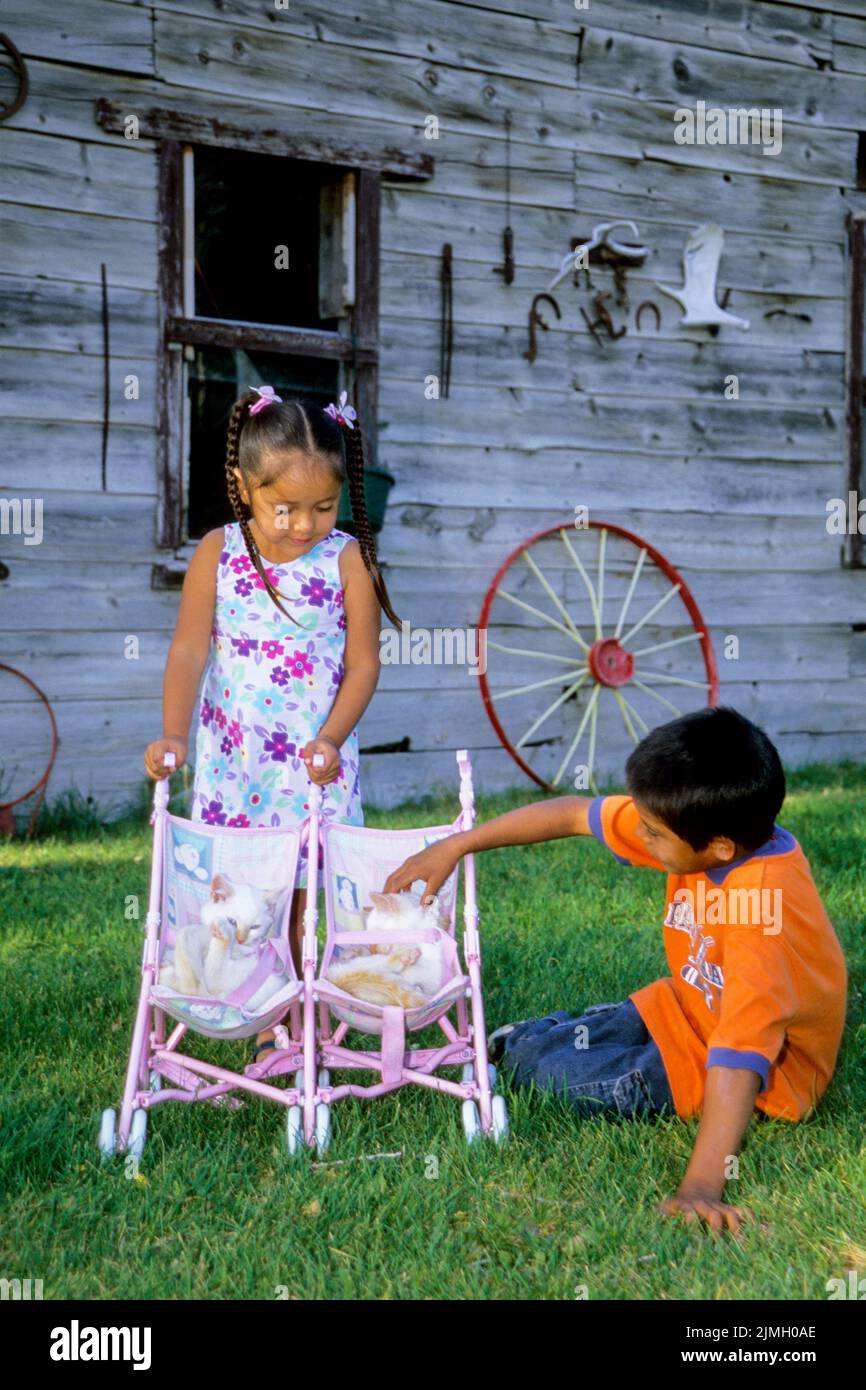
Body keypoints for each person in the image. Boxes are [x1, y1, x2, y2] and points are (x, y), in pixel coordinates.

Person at [382, 707, 848, 1235]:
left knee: (547, 1077)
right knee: (556, 1046)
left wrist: (699, 1189)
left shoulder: (760, 915)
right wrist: (458, 843)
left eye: (652, 834)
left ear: (719, 847)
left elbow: (741, 1058)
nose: (640, 838)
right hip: (686, 1007)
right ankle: (530, 1043)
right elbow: (574, 814)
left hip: (764, 1072)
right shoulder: (703, 828)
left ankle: (527, 1051)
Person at [144, 386, 400, 1062]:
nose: (303, 525)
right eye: (284, 507)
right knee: (244, 887)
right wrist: (173, 732)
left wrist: (333, 738)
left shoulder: (348, 560)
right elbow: (190, 649)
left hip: (313, 762)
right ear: (242, 486)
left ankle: (297, 1009)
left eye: (323, 506)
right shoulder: (218, 552)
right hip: (236, 761)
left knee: (302, 888)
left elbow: (364, 666)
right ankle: (251, 1001)